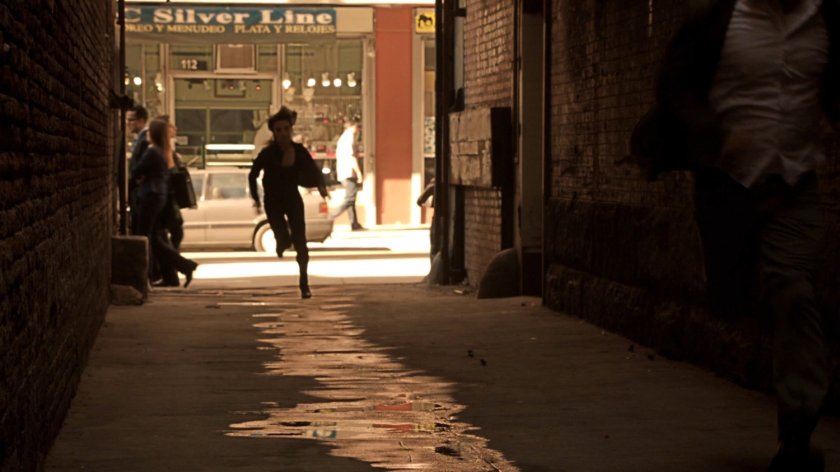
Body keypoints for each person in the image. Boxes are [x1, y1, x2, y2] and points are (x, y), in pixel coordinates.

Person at [647, 0, 839, 470]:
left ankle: (797, 432)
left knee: (794, 291)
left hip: (794, 186)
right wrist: (715, 135)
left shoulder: (825, 24)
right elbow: (674, 87)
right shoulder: (719, 23)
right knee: (733, 300)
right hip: (728, 187)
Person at [249, 107, 329, 299]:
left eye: (286, 129)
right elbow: (253, 174)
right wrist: (256, 198)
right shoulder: (268, 153)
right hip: (273, 200)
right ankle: (282, 240)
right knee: (282, 234)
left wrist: (322, 188)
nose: (283, 133)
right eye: (279, 130)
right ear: (274, 132)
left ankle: (304, 283)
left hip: (292, 198)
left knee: (301, 242)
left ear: (290, 130)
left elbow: (314, 170)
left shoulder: (299, 151)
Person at [132, 119, 198, 288]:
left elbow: (135, 170)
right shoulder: (165, 152)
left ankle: (182, 266)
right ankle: (177, 271)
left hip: (150, 195)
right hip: (160, 196)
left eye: (149, 132)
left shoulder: (152, 152)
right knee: (156, 237)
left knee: (145, 237)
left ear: (152, 134)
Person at [330, 117, 365, 231]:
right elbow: (351, 157)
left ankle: (354, 223)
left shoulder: (342, 138)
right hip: (348, 172)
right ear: (353, 127)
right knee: (350, 198)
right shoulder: (349, 138)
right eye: (358, 127)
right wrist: (359, 173)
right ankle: (331, 215)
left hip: (343, 171)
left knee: (351, 198)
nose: (359, 130)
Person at [127, 105, 149, 234]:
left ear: (141, 121)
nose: (128, 123)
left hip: (140, 191)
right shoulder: (139, 139)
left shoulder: (144, 140)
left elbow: (141, 167)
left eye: (131, 120)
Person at [416, 177, 438, 261]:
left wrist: (431, 205)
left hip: (437, 218)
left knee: (434, 245)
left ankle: (434, 267)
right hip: (449, 217)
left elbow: (420, 201)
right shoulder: (450, 183)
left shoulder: (434, 184)